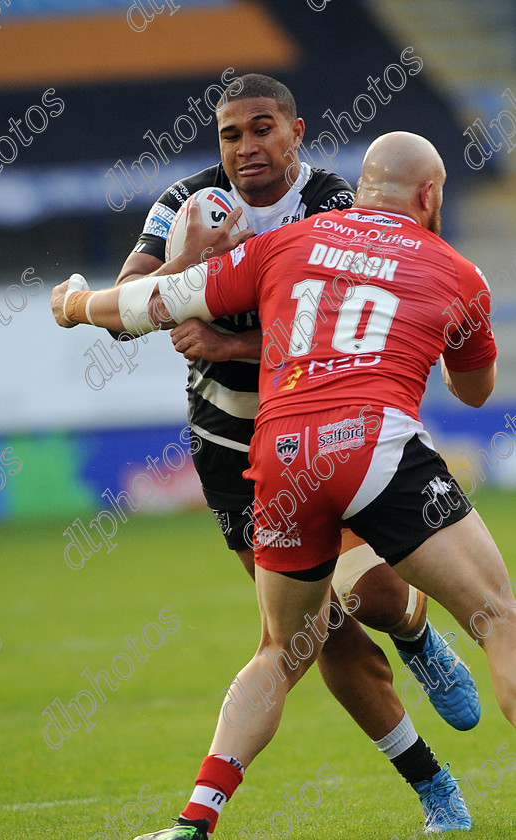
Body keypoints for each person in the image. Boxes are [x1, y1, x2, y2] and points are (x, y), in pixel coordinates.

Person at [51, 130, 516, 840]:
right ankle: (427, 662)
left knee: (281, 646)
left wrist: (77, 305)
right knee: (497, 619)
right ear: (430, 196)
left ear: (360, 189)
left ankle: (193, 821)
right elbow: (474, 390)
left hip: (283, 456)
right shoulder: (455, 269)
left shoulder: (286, 243)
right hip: (373, 443)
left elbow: (161, 301)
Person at [115, 73, 480, 735]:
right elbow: (126, 308)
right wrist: (191, 261)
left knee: (375, 597)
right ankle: (433, 788)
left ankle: (417, 636)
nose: (247, 146)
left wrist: (231, 346)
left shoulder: (331, 202)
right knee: (313, 633)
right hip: (229, 442)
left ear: (294, 134)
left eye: (263, 129)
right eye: (231, 134)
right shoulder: (185, 202)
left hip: (325, 423)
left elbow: (332, 327)